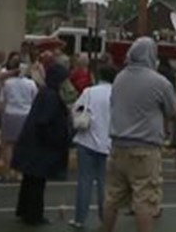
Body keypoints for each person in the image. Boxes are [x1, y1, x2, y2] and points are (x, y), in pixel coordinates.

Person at [101, 37, 176, 232]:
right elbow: (171, 110)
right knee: (145, 200)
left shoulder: (120, 77)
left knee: (112, 199)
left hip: (118, 145)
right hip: (145, 147)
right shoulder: (160, 82)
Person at [13, 63, 72, 226]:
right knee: (37, 183)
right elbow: (45, 122)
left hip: (32, 144)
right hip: (40, 147)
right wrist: (57, 139)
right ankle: (34, 215)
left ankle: (24, 210)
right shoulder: (51, 97)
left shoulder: (45, 93)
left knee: (30, 180)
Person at [70, 65, 115, 229]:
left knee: (84, 181)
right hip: (107, 143)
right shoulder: (116, 95)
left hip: (86, 140)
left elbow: (76, 109)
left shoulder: (89, 91)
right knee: (104, 184)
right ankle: (106, 219)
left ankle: (79, 218)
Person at [0, 59, 38, 182]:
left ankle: (7, 171)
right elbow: (35, 99)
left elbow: (2, 101)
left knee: (8, 145)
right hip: (25, 114)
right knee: (22, 145)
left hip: (10, 113)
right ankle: (19, 172)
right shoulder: (31, 84)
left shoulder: (8, 83)